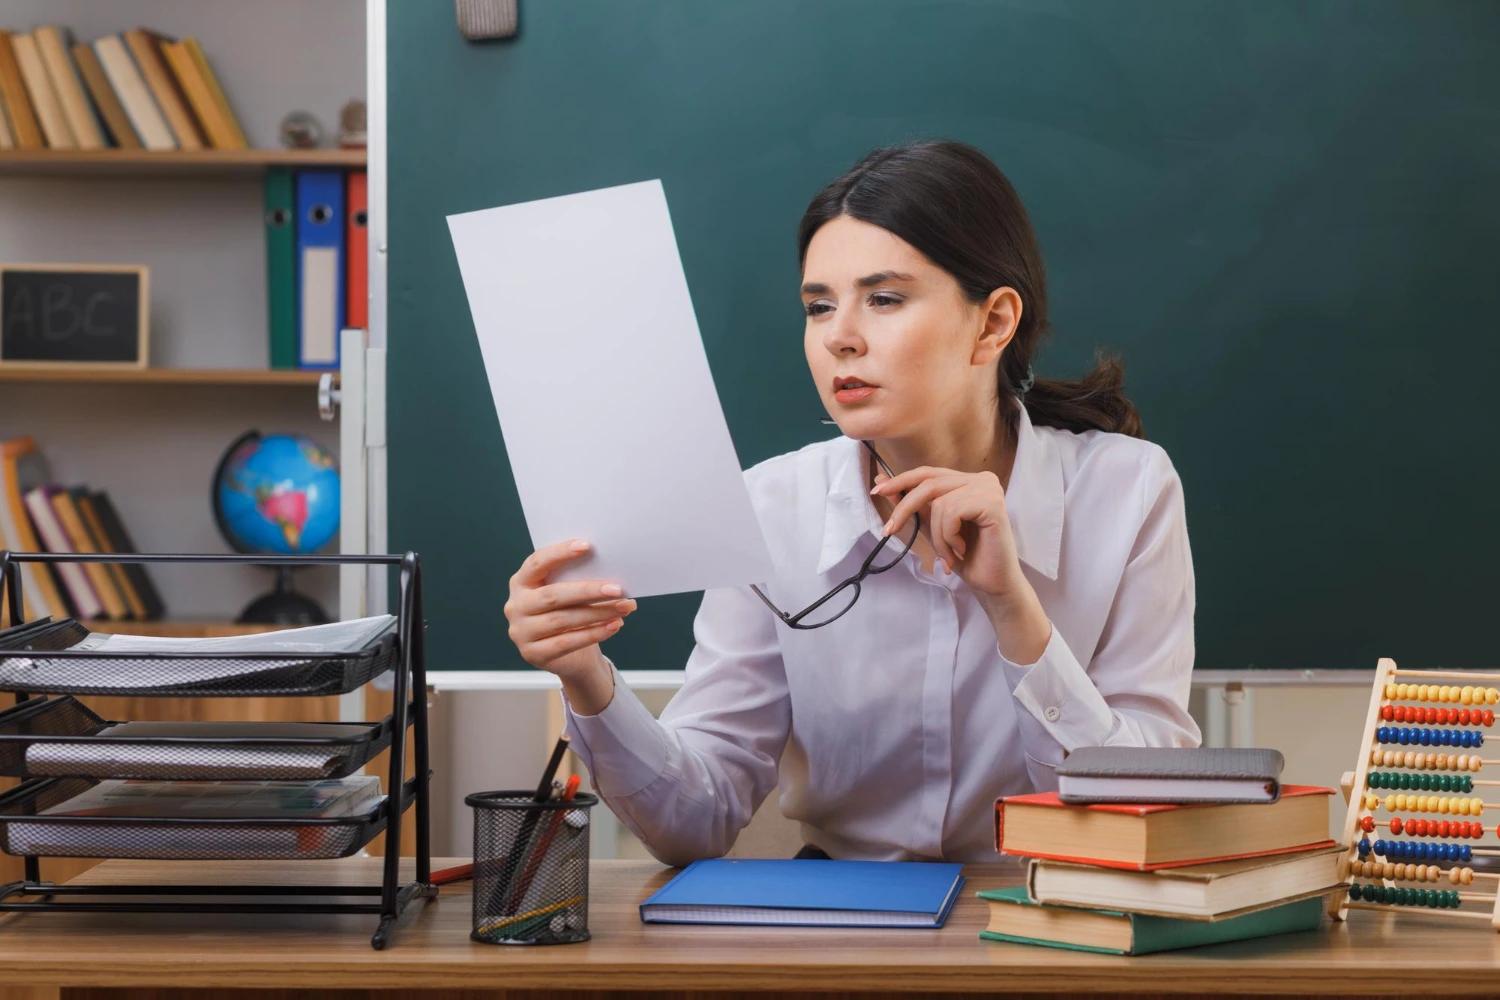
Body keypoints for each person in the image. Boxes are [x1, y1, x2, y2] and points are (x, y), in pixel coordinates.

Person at [502, 140, 1200, 865]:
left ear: (993, 323)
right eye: (818, 306)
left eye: (885, 299)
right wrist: (584, 674)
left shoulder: (1128, 491)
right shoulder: (771, 507)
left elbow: (1140, 810)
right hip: (845, 938)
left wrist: (1012, 609)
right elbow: (694, 822)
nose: (839, 337)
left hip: (1050, 925)